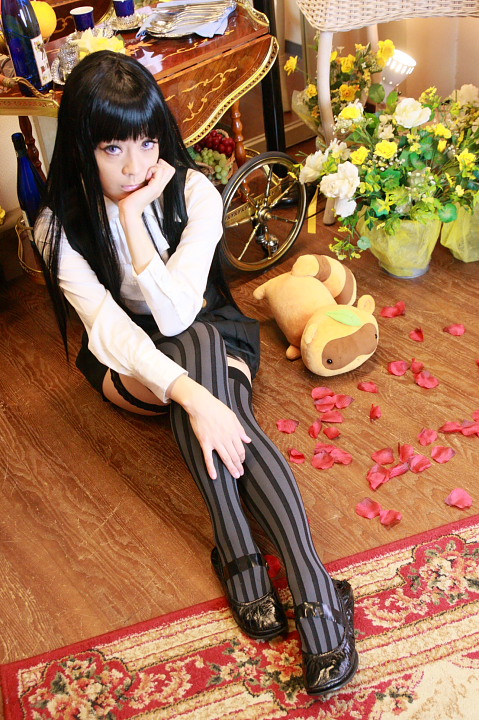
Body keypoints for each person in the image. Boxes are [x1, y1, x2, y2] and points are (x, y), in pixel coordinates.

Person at [35, 50, 358, 696]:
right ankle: (318, 595)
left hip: (209, 331)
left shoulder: (194, 191)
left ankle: (245, 555)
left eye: (146, 142)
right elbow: (116, 333)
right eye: (112, 149)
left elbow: (179, 312)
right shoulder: (56, 228)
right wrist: (196, 399)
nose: (135, 167)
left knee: (198, 336)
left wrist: (134, 221)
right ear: (81, 148)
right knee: (197, 369)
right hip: (129, 364)